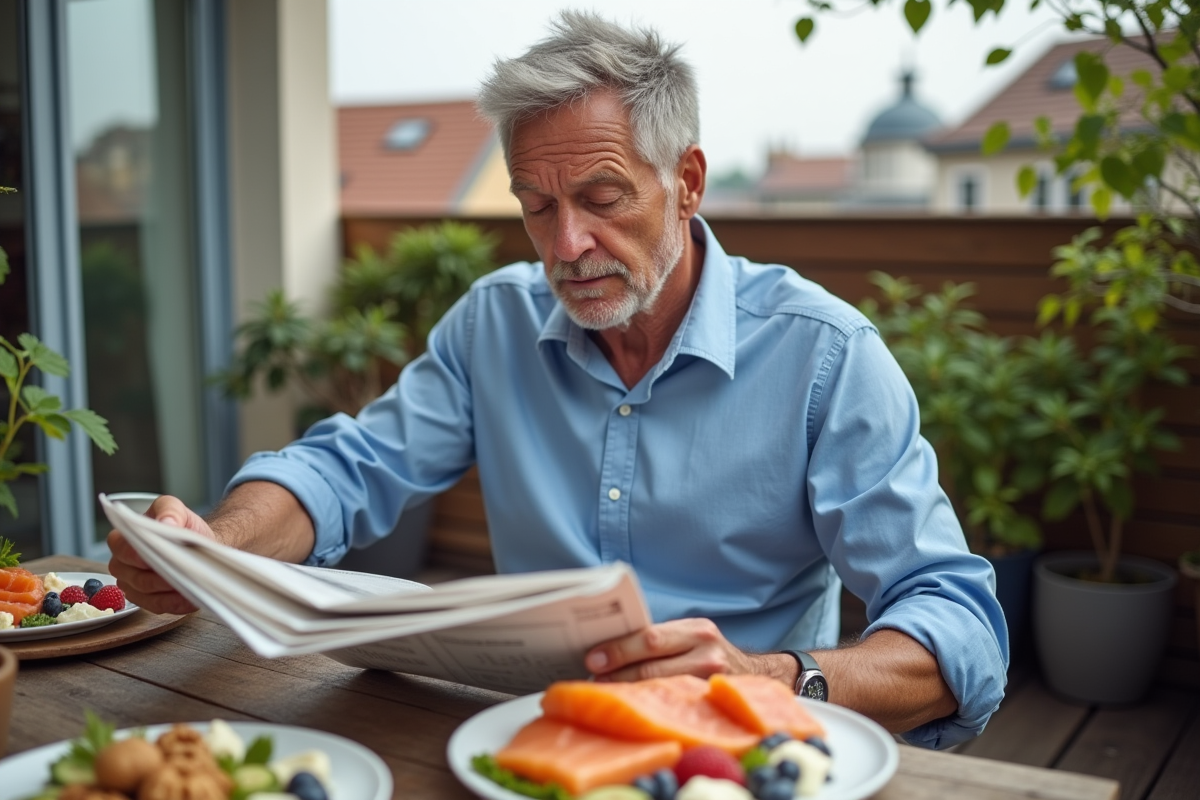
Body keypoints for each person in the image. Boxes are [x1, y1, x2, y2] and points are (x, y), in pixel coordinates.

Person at [108, 11, 1006, 749]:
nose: (565, 246)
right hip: (522, 739)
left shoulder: (825, 355)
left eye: (603, 199)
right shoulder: (491, 322)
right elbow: (345, 470)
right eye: (536, 207)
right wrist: (217, 548)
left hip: (732, 754)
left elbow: (959, 627)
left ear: (686, 181)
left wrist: (782, 677)